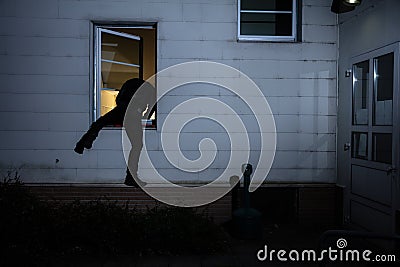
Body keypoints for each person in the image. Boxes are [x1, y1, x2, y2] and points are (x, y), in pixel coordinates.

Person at [74, 78, 156, 187]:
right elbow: (151, 107)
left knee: (100, 122)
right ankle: (131, 177)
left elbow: (119, 98)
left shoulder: (131, 82)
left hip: (121, 109)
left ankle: (83, 143)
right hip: (132, 113)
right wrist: (143, 116)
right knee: (137, 145)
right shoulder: (150, 90)